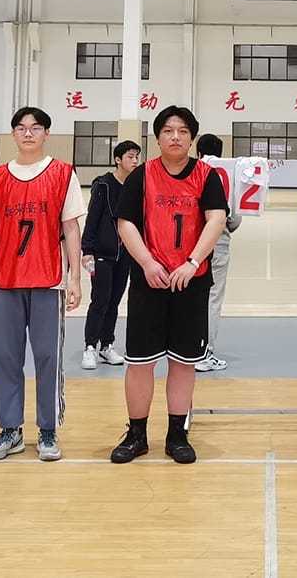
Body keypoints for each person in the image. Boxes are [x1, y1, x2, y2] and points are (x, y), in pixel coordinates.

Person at [110, 106, 228, 464]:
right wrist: (148, 263)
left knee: (183, 362)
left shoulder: (207, 176)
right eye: (167, 130)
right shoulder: (142, 175)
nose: (175, 137)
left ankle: (177, 434)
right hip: (149, 282)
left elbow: (216, 219)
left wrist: (192, 262)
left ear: (191, 138)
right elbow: (126, 223)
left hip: (191, 283)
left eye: (182, 131)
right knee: (139, 363)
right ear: (157, 137)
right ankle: (137, 435)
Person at [0, 107, 86, 463]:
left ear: (46, 134)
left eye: (35, 128)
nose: (28, 133)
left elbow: (71, 228)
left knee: (48, 357)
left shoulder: (62, 173)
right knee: (5, 357)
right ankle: (10, 429)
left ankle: (48, 429)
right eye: (21, 128)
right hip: (7, 280)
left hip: (47, 281)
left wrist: (75, 277)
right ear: (13, 134)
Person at [81, 140, 141, 369]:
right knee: (100, 300)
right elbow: (92, 218)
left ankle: (106, 345)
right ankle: (90, 347)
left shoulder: (135, 186)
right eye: (130, 157)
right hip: (102, 254)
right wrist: (87, 251)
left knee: (114, 301)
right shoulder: (103, 185)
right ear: (118, 159)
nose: (134, 161)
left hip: (125, 254)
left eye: (136, 157)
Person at [193, 134, 242, 372]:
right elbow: (234, 219)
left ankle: (187, 349)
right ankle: (204, 352)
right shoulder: (226, 176)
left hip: (191, 245)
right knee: (212, 298)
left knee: (191, 297)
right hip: (217, 244)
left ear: (198, 151)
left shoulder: (189, 171)